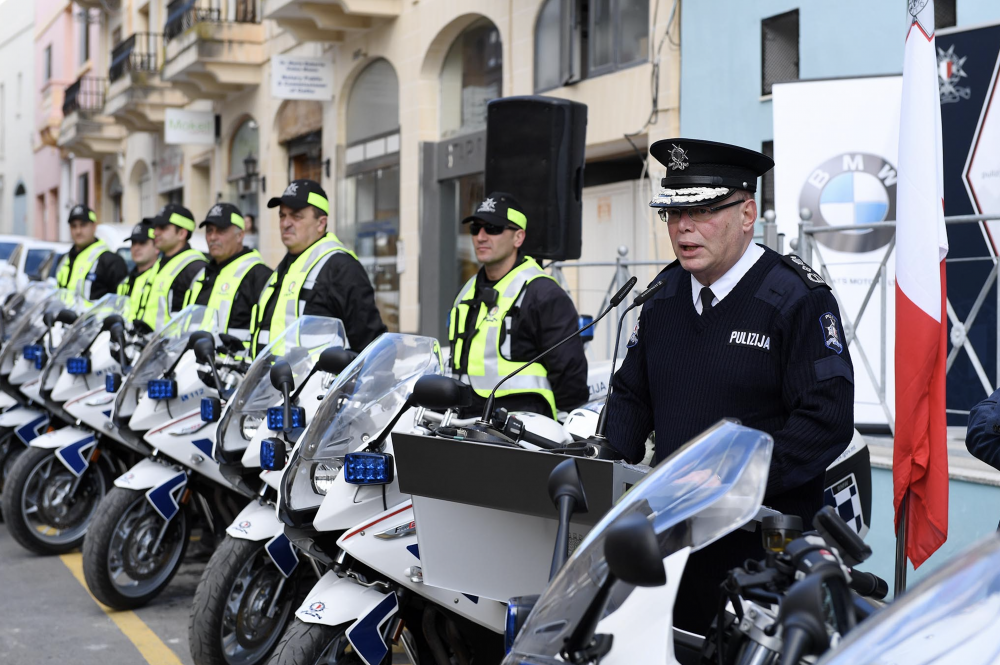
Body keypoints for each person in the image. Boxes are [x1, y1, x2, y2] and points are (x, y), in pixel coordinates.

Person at [604, 139, 856, 633]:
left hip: (762, 549)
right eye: (673, 214)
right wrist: (602, 458)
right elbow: (633, 396)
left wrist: (732, 478)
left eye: (701, 211)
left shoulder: (795, 298)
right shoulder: (663, 295)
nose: (683, 228)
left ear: (747, 213)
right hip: (675, 542)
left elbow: (825, 421)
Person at [448, 192, 588, 419]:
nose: (481, 237)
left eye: (492, 228)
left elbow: (570, 377)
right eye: (475, 228)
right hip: (464, 423)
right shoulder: (466, 290)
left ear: (518, 238)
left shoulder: (543, 293)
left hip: (522, 432)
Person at [250, 179, 385, 355]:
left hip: (315, 383)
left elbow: (370, 344)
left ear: (321, 223)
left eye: (296, 216)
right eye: (282, 215)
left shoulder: (341, 268)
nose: (285, 223)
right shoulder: (287, 267)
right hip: (271, 382)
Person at [183, 203, 271, 341]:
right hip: (195, 360)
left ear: (240, 235)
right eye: (209, 231)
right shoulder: (202, 275)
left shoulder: (259, 276)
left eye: (221, 231)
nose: (213, 237)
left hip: (236, 361)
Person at [138, 204, 207, 331]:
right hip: (149, 347)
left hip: (172, 349)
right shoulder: (161, 262)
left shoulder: (194, 267)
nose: (155, 233)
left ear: (182, 233)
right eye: (155, 228)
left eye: (163, 228)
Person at [55, 204, 128, 301]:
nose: (78, 231)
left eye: (83, 225)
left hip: (94, 316)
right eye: (74, 226)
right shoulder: (64, 259)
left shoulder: (111, 261)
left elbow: (120, 302)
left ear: (93, 226)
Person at [116, 220, 159, 322]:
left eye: (142, 243)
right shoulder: (126, 281)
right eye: (133, 243)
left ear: (157, 247)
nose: (136, 248)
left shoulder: (160, 279)